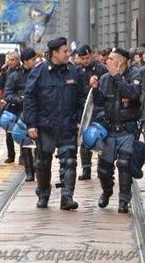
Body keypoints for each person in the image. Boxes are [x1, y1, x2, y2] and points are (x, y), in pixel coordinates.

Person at [23, 37, 84, 210]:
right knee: (42, 163)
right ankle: (43, 195)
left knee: (70, 162)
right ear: (54, 53)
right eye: (65, 51)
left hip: (67, 125)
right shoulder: (39, 71)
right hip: (45, 126)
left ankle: (67, 197)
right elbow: (30, 98)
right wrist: (31, 124)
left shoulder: (73, 71)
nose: (68, 54)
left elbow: (81, 98)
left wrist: (79, 119)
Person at [90, 48, 142, 213]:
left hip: (127, 128)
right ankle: (107, 191)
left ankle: (123, 200)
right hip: (109, 129)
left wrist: (117, 77)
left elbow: (133, 94)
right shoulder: (105, 78)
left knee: (124, 164)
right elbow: (99, 102)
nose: (107, 61)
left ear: (119, 62)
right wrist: (96, 88)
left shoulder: (135, 76)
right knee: (104, 168)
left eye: (110, 59)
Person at [4, 48, 37, 181]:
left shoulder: (40, 72)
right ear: (25, 61)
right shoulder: (15, 75)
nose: (35, 62)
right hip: (21, 113)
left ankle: (38, 166)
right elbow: (7, 94)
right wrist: (19, 99)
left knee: (40, 142)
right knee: (25, 142)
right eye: (33, 60)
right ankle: (29, 171)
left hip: (38, 111)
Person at [75, 45, 107, 180]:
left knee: (99, 138)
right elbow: (77, 91)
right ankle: (86, 169)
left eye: (87, 58)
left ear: (92, 55)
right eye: (83, 58)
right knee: (84, 139)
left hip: (99, 108)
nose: (85, 61)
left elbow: (105, 87)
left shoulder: (100, 68)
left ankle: (102, 168)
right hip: (84, 108)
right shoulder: (77, 71)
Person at [0, 51, 21, 164]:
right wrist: (2, 72)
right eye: (9, 60)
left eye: (13, 60)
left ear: (18, 60)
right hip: (9, 105)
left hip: (20, 104)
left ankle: (24, 155)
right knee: (9, 132)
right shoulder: (6, 72)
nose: (11, 62)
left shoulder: (21, 72)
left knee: (22, 130)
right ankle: (11, 155)